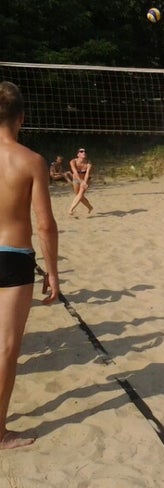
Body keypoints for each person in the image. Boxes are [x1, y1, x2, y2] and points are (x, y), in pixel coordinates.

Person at [0, 81, 59, 450]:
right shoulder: (32, 160)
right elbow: (45, 225)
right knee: (6, 346)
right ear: (21, 118)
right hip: (13, 256)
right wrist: (52, 272)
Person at [68, 148, 93, 215]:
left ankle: (71, 209)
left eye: (85, 151)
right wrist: (81, 181)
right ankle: (90, 207)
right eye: (81, 151)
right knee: (78, 195)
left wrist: (84, 182)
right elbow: (75, 172)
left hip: (86, 180)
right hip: (76, 179)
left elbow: (87, 174)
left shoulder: (88, 163)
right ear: (78, 154)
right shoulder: (73, 161)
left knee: (80, 194)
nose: (83, 152)